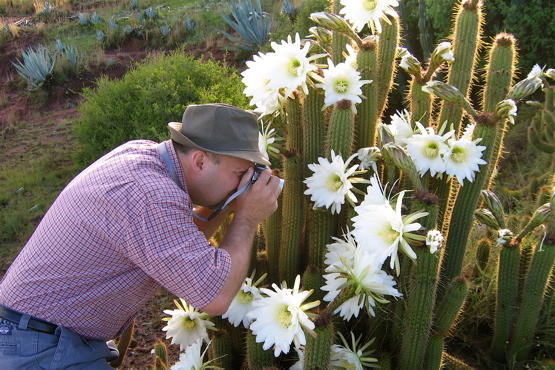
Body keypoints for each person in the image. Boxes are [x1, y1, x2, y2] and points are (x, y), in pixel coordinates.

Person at [0, 103, 282, 368]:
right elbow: (215, 296)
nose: (245, 182)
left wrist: (231, 197)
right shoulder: (150, 194)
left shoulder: (144, 156)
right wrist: (247, 216)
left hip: (31, 334)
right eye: (240, 173)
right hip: (38, 348)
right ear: (199, 161)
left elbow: (179, 239)